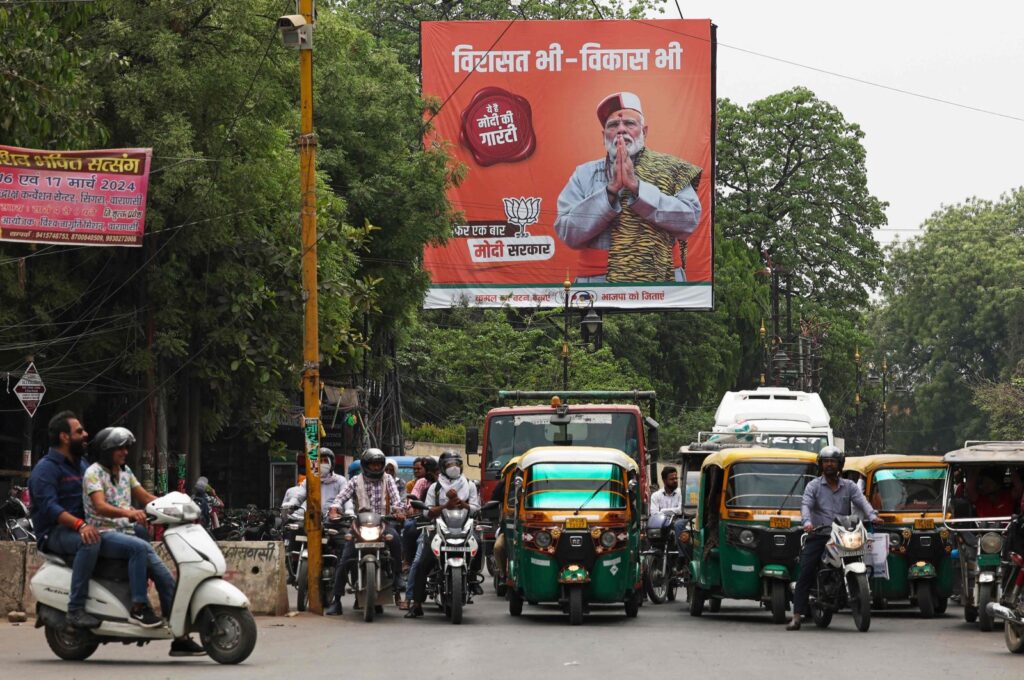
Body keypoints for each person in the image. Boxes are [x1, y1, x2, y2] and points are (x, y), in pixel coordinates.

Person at [554, 91, 702, 283]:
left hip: (662, 284)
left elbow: (688, 222)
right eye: (613, 125)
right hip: (599, 285)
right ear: (604, 135)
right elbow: (568, 233)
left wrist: (638, 188)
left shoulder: (672, 169)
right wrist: (610, 192)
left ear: (644, 132)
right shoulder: (584, 174)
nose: (621, 130)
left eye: (629, 124)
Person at [83, 427, 205, 655]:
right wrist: (128, 513)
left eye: (126, 447)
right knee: (139, 547)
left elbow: (146, 498)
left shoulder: (126, 472)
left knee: (166, 577)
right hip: (103, 534)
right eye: (120, 448)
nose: (125, 452)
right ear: (107, 450)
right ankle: (139, 607)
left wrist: (174, 505)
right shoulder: (93, 473)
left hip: (127, 534)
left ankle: (180, 638)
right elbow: (99, 506)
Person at [787, 446, 879, 631]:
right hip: (820, 534)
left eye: (833, 461)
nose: (829, 464)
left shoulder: (850, 486)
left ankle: (864, 593)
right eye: (826, 461)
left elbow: (861, 501)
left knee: (868, 559)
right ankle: (796, 616)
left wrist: (873, 515)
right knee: (806, 570)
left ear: (840, 465)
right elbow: (806, 505)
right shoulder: (813, 486)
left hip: (844, 533)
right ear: (821, 465)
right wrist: (807, 522)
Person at [27, 411, 101, 629]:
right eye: (79, 431)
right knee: (90, 542)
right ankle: (76, 609)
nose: (85, 435)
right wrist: (80, 525)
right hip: (55, 533)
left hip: (82, 526)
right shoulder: (45, 469)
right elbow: (50, 508)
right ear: (64, 437)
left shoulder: (82, 466)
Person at [325, 448, 405, 616]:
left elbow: (397, 500)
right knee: (346, 558)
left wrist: (399, 511)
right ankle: (337, 600)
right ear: (365, 465)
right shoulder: (355, 480)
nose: (376, 468)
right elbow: (340, 498)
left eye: (378, 464)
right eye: (372, 464)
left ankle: (397, 575)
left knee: (396, 540)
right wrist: (334, 509)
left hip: (383, 523)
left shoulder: (388, 479)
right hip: (359, 525)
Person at [406, 450, 481, 618]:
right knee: (422, 562)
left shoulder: (469, 485)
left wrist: (463, 504)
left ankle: (473, 579)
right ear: (442, 467)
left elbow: (476, 509)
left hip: (464, 529)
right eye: (449, 465)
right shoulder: (435, 487)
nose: (453, 468)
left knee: (479, 544)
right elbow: (427, 513)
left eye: (456, 464)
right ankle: (417, 604)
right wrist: (446, 505)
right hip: (440, 530)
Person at [400, 457, 438, 610]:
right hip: (427, 524)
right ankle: (410, 598)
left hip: (448, 527)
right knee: (417, 561)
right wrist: (410, 508)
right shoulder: (422, 483)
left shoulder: (453, 484)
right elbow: (414, 497)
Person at [287, 448, 349, 520]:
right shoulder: (309, 481)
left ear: (331, 463)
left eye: (325, 461)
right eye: (320, 461)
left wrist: (349, 511)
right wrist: (291, 504)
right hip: (311, 521)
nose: (322, 464)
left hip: (332, 521)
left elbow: (346, 498)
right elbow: (299, 495)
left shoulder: (340, 480)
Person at [650, 467, 687, 556]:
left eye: (676, 478)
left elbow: (679, 510)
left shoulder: (682, 493)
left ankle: (682, 558)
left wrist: (662, 511)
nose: (675, 481)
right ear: (664, 480)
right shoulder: (656, 496)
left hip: (678, 524)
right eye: (672, 479)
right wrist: (671, 512)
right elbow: (654, 514)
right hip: (661, 526)